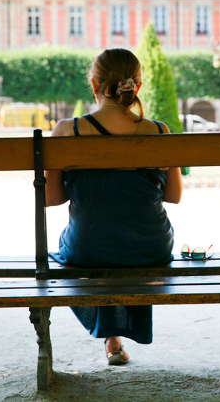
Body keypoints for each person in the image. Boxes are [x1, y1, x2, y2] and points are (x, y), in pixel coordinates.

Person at [44, 49, 183, 365]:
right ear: (138, 86)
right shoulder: (159, 131)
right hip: (151, 247)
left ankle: (111, 337)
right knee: (124, 234)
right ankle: (114, 339)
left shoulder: (69, 130)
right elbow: (173, 196)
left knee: (94, 240)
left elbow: (51, 198)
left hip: (89, 248)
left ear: (94, 85)